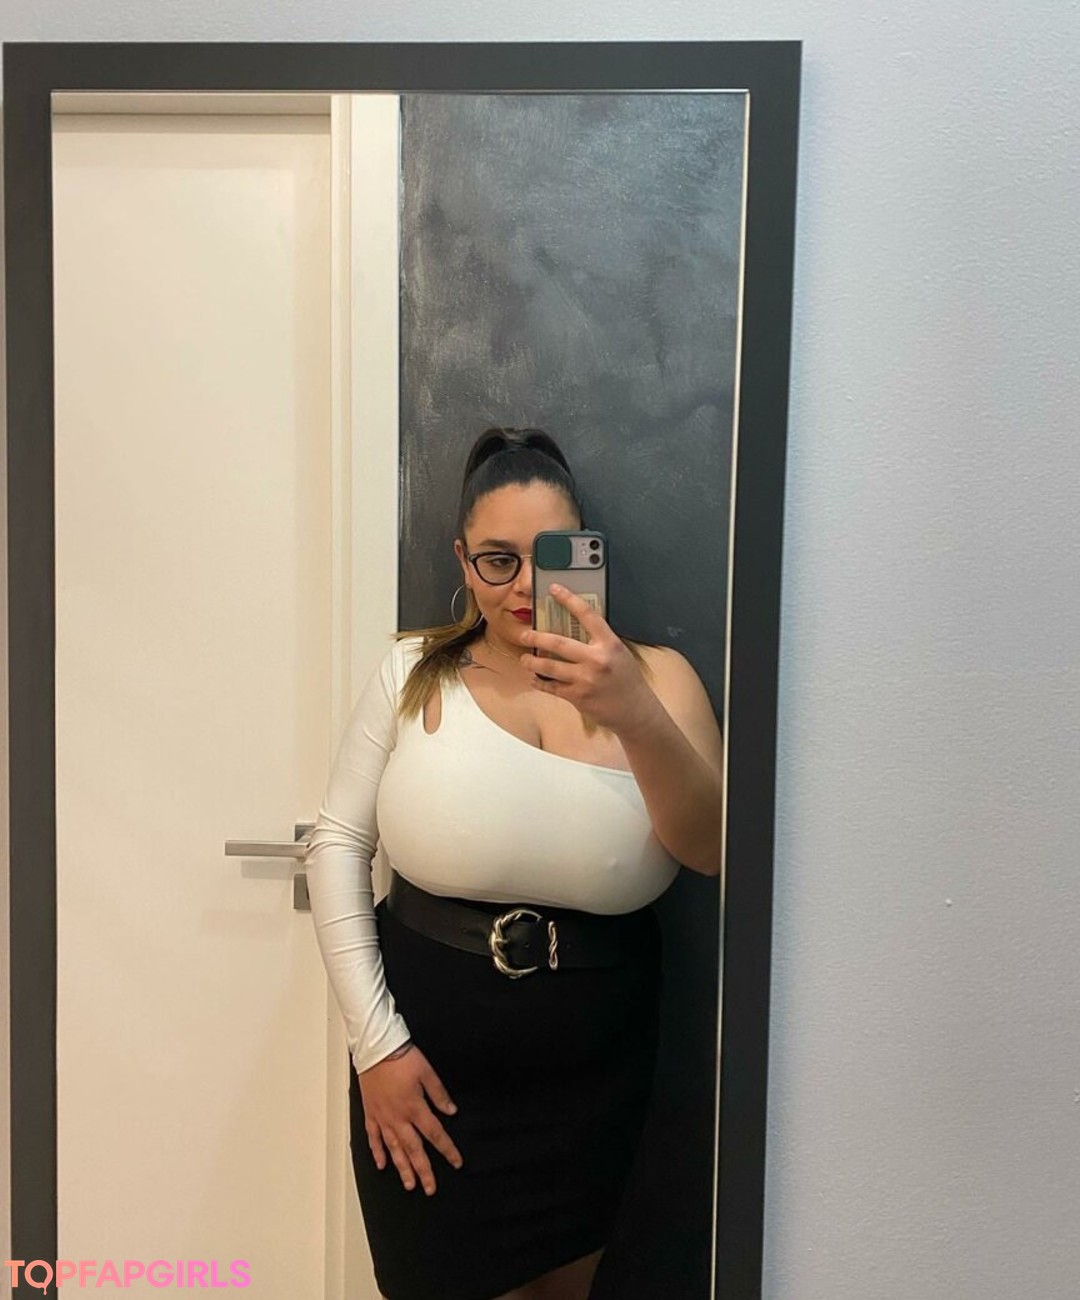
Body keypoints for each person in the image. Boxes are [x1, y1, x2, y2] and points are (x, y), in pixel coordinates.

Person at [305, 427, 724, 1300]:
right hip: (426, 1081)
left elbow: (712, 847)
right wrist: (375, 1048)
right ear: (463, 562)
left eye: (553, 556)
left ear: (589, 551)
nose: (527, 586)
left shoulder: (660, 679)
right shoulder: (412, 673)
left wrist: (634, 711)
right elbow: (337, 844)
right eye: (498, 561)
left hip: (600, 1082)